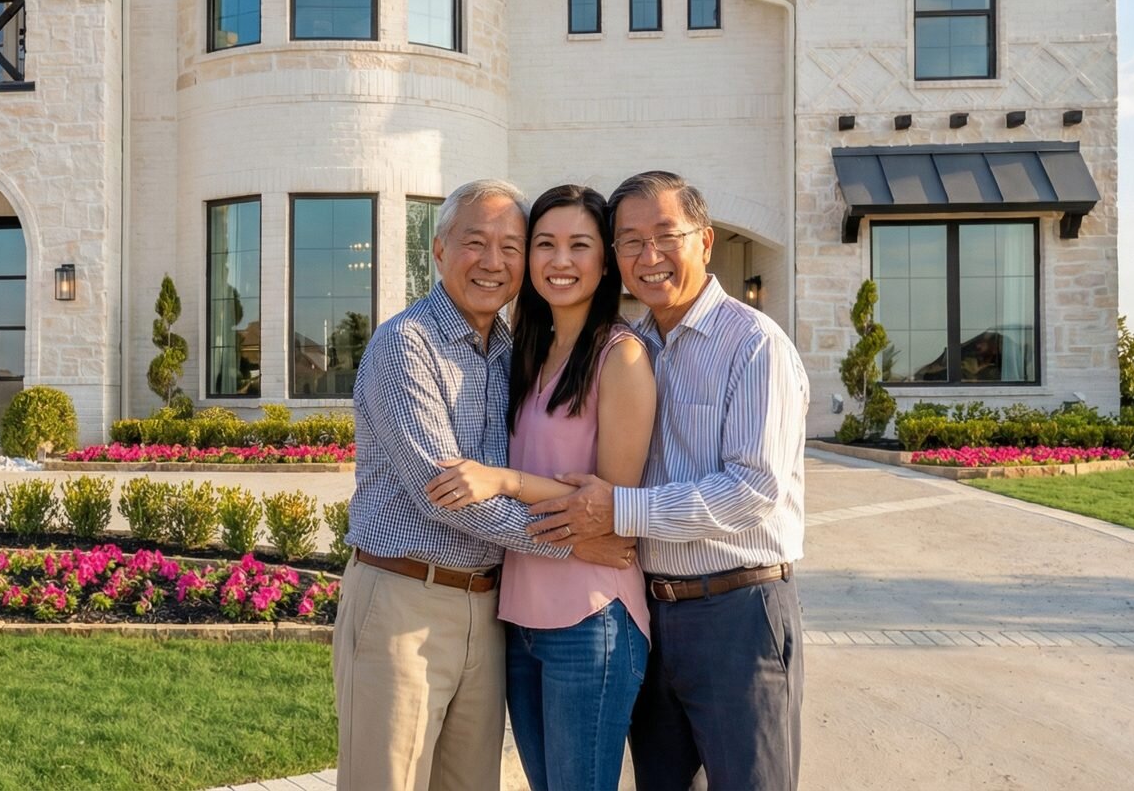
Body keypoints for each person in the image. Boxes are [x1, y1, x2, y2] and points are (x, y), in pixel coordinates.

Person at [334, 179, 632, 791]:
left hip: (489, 610)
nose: (493, 261)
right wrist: (575, 541)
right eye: (475, 242)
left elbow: (509, 479)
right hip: (403, 600)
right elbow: (447, 496)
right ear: (439, 250)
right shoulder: (405, 345)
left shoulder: (512, 350)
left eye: (511, 246)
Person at [527, 170, 810, 790]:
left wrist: (621, 510)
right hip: (655, 617)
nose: (648, 256)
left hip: (738, 612)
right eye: (630, 241)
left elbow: (753, 490)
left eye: (665, 236)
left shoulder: (754, 345)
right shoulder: (633, 346)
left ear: (704, 241)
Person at [425, 183, 657, 790]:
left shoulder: (622, 357)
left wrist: (503, 480)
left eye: (579, 245)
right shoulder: (525, 350)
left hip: (592, 617)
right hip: (519, 618)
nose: (560, 260)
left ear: (605, 260)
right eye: (545, 244)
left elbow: (611, 508)